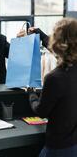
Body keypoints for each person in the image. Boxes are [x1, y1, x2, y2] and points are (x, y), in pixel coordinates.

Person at [29, 17, 77, 157]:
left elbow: (41, 111)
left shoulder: (55, 78)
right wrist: (40, 34)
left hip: (60, 147)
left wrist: (32, 95)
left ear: (56, 42)